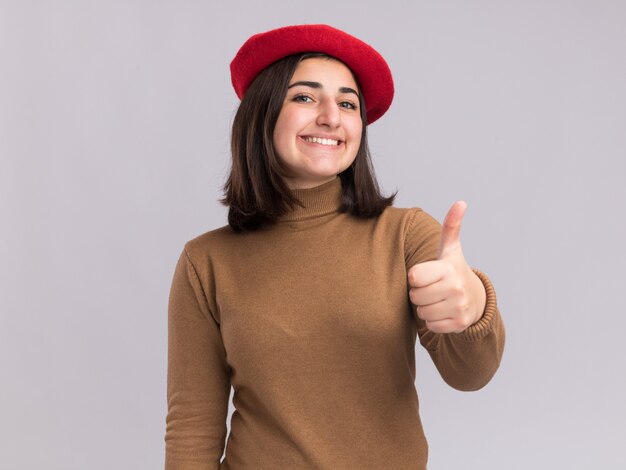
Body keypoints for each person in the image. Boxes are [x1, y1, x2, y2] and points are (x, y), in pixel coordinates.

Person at [164, 24, 505, 470]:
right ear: (262, 114)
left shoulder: (406, 236)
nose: (331, 116)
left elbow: (471, 374)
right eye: (305, 97)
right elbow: (193, 427)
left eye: (348, 103)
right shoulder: (205, 262)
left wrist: (474, 305)